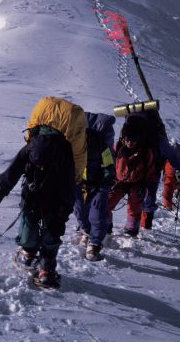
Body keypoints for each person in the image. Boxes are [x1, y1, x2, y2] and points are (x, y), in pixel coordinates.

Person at [0, 97, 85, 289]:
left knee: (37, 232)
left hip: (40, 201)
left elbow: (8, 179)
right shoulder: (60, 154)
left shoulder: (33, 150)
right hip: (48, 201)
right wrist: (66, 210)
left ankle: (35, 260)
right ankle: (43, 268)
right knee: (47, 234)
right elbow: (71, 185)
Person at [123, 110, 180, 230]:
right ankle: (145, 226)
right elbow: (171, 155)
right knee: (148, 197)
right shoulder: (157, 139)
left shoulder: (127, 135)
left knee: (134, 198)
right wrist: (178, 171)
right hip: (152, 172)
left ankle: (132, 227)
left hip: (132, 172)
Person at [74, 112, 116, 261]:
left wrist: (104, 186)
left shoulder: (100, 144)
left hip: (98, 184)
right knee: (79, 211)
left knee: (97, 213)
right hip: (79, 184)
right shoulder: (71, 144)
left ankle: (95, 243)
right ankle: (87, 231)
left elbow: (109, 166)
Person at [106, 116, 156, 237]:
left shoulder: (145, 151)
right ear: (124, 137)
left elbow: (151, 170)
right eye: (128, 138)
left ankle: (131, 230)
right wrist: (108, 178)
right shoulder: (118, 146)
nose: (130, 142)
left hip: (137, 184)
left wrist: (148, 186)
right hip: (119, 182)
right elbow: (110, 163)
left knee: (134, 208)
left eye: (133, 139)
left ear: (139, 139)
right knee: (106, 203)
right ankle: (106, 226)